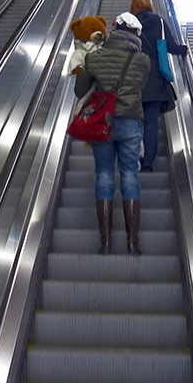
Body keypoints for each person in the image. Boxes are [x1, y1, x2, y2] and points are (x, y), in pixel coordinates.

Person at [75, 13, 151, 255]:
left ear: (115, 29)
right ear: (136, 35)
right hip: (130, 122)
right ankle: (133, 243)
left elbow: (80, 91)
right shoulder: (142, 61)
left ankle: (105, 243)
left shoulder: (94, 57)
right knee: (130, 176)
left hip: (102, 123)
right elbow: (141, 87)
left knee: (105, 176)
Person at [130, 0, 188, 172]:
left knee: (132, 122)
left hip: (133, 80)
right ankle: (148, 162)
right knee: (151, 123)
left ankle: (132, 160)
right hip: (155, 80)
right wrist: (182, 49)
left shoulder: (128, 25)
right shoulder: (160, 22)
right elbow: (170, 46)